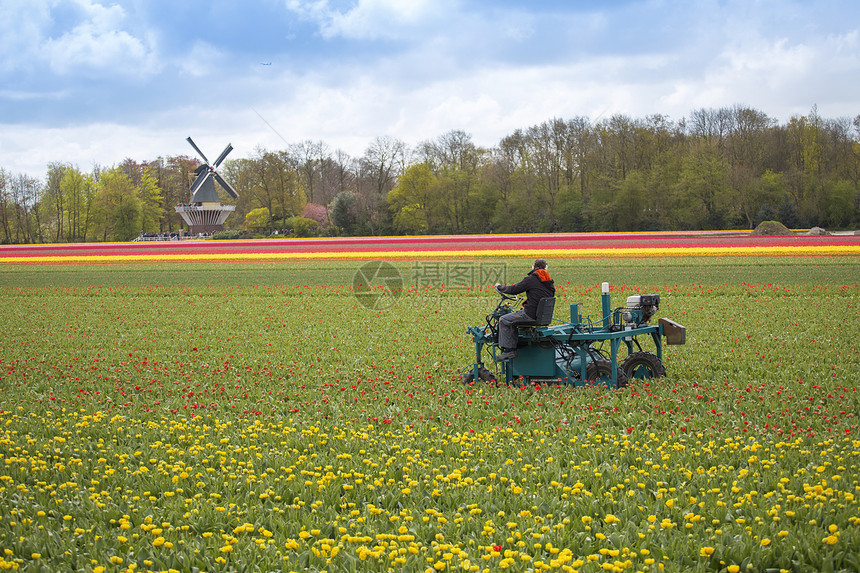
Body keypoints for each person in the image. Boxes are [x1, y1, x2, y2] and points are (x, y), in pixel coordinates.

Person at [494, 259, 555, 360]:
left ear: (533, 267)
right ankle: (522, 336)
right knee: (514, 318)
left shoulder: (531, 279)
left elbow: (514, 289)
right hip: (542, 316)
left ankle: (509, 350)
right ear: (546, 268)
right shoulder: (549, 282)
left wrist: (500, 287)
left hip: (530, 315)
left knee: (504, 320)